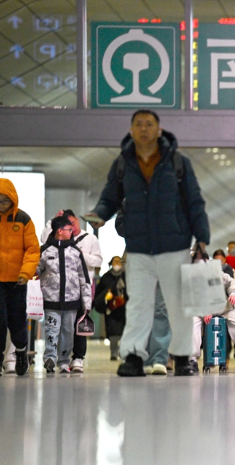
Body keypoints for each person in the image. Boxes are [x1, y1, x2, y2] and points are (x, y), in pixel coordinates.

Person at [86, 109, 210, 377]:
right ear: (131, 130)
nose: (144, 129)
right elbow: (110, 197)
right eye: (138, 125)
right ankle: (132, 356)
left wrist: (202, 238)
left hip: (174, 245)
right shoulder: (123, 164)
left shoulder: (178, 162)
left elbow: (194, 201)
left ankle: (181, 357)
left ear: (159, 129)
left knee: (177, 306)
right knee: (138, 304)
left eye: (149, 124)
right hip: (139, 248)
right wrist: (99, 215)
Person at [0, 178, 40, 377]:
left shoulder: (23, 219)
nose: (0, 204)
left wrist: (26, 273)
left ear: (13, 199)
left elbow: (33, 250)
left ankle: (21, 352)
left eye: (4, 201)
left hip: (18, 278)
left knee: (17, 318)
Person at [40, 209, 103, 373]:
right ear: (60, 231)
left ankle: (63, 361)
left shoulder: (75, 252)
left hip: (72, 301)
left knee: (68, 332)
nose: (72, 232)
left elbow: (84, 278)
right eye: (69, 230)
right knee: (51, 330)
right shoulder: (46, 251)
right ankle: (50, 358)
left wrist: (87, 302)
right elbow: (36, 270)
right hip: (51, 300)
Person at [190, 252, 235, 373]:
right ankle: (192, 360)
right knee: (192, 327)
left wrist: (233, 293)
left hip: (223, 309)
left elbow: (234, 282)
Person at [94, 256, 128, 361]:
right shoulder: (106, 277)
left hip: (124, 309)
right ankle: (114, 353)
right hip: (111, 310)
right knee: (113, 332)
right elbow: (98, 294)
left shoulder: (126, 276)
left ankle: (123, 352)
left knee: (124, 332)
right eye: (115, 261)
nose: (117, 264)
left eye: (119, 261)